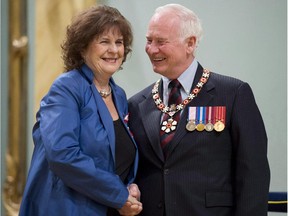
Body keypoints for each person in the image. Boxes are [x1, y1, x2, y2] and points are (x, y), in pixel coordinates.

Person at [128, 3, 270, 216]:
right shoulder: (138, 103)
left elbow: (253, 173)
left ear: (190, 43)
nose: (152, 49)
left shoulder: (232, 94)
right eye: (149, 41)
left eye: (161, 42)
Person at [19, 5, 142, 216]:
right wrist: (118, 195)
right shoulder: (67, 88)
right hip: (65, 208)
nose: (114, 50)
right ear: (83, 47)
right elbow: (63, 154)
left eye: (119, 42)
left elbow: (113, 154)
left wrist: (129, 186)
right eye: (104, 41)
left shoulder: (119, 95)